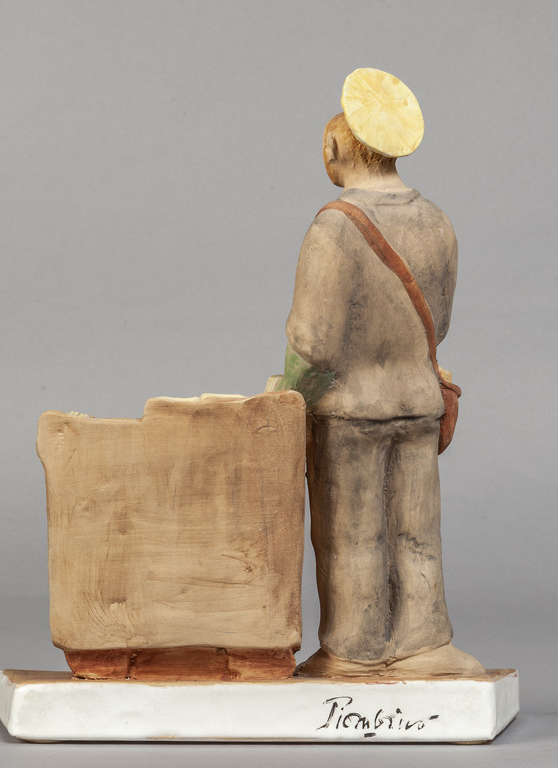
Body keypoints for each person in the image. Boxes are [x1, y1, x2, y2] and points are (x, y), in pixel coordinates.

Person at [281, 69, 484, 677]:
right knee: (418, 533)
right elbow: (438, 325)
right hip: (417, 401)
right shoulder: (437, 220)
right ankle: (426, 645)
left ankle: (355, 651)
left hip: (349, 409)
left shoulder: (334, 226)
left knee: (353, 537)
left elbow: (315, 342)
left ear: (334, 149)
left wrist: (287, 394)